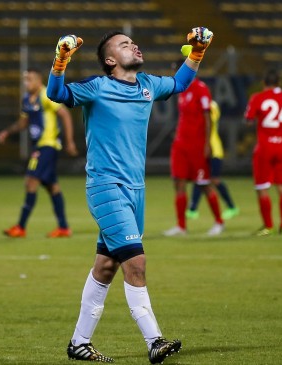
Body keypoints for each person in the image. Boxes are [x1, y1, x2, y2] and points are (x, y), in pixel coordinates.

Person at [46, 28, 213, 363]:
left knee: (106, 265)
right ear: (110, 60)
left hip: (136, 191)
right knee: (135, 262)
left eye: (133, 42)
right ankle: (155, 340)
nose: (133, 45)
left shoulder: (148, 86)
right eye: (124, 44)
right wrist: (61, 59)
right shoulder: (97, 87)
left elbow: (180, 83)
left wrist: (197, 51)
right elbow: (56, 93)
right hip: (106, 187)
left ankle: (80, 343)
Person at [0, 68, 78, 238]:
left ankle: (20, 227)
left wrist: (69, 141)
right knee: (51, 186)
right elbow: (24, 122)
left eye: (30, 79)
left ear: (39, 80)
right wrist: (8, 131)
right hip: (39, 147)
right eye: (25, 79)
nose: (26, 82)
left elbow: (65, 115)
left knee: (31, 181)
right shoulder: (27, 99)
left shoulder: (46, 95)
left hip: (47, 146)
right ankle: (63, 227)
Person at [163, 71, 224, 237]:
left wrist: (207, 143)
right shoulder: (181, 90)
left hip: (197, 145)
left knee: (204, 184)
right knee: (178, 183)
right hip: (181, 145)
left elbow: (207, 117)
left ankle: (219, 222)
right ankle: (181, 226)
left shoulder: (201, 88)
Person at [244, 70, 282, 236]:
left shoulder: (258, 97)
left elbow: (248, 120)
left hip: (264, 147)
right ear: (279, 83)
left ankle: (268, 226)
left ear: (264, 83)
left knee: (262, 187)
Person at [185, 100, 239, 221]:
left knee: (213, 179)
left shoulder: (212, 106)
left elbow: (209, 121)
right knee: (200, 177)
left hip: (213, 149)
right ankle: (192, 209)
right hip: (202, 149)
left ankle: (231, 207)